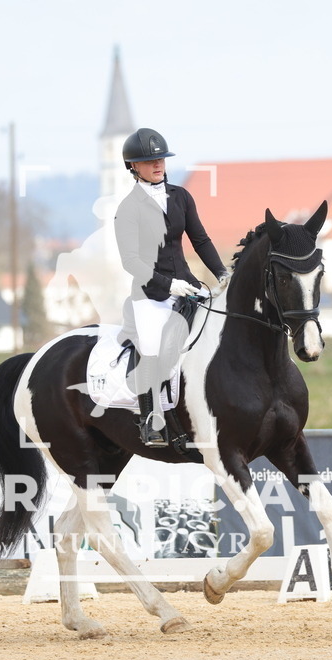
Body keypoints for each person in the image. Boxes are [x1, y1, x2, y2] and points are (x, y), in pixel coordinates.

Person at [114, 128, 228, 447]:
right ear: (133, 166)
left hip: (189, 285)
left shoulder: (181, 197)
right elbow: (131, 261)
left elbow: (201, 240)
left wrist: (222, 274)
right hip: (151, 295)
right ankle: (151, 420)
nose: (157, 164)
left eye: (161, 158)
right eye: (149, 160)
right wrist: (168, 285)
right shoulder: (128, 208)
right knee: (151, 344)